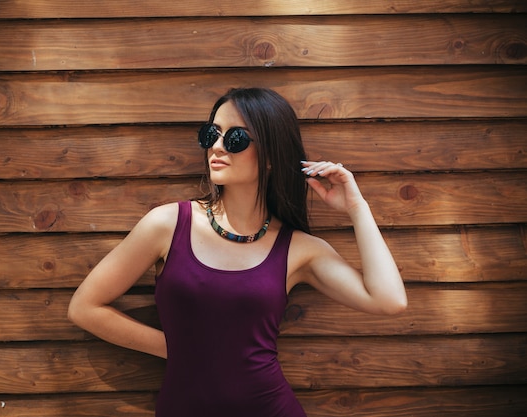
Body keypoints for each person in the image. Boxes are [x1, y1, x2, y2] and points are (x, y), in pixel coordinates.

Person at [68, 87, 408, 416]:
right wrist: (177, 349)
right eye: (210, 134)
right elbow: (85, 308)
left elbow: (389, 300)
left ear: (272, 155)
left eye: (235, 138)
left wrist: (356, 207)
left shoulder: (298, 249)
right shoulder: (168, 224)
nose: (216, 146)